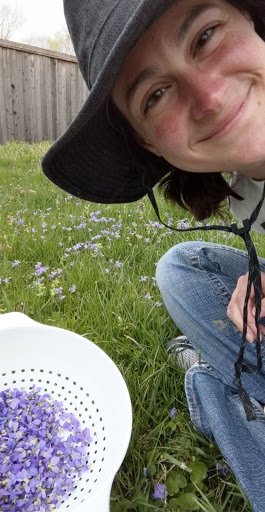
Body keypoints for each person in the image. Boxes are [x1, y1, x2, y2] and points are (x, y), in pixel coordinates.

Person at [42, 0, 265, 510]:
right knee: (181, 266)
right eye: (156, 94)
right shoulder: (247, 189)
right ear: (148, 143)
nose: (208, 96)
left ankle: (218, 394)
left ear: (251, 17)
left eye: (206, 35)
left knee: (216, 383)